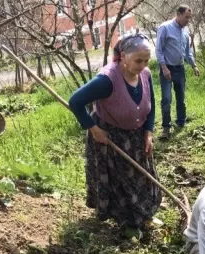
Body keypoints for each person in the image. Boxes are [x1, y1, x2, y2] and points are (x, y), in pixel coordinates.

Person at [68, 34, 162, 233]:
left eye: (146, 60)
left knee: (142, 176)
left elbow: (151, 105)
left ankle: (143, 213)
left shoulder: (145, 74)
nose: (143, 65)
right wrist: (93, 129)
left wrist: (149, 132)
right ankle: (127, 222)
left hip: (137, 136)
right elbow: (75, 101)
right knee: (121, 180)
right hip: (110, 136)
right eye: (138, 60)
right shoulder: (107, 80)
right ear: (123, 57)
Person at [155, 4, 201, 140]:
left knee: (181, 98)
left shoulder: (185, 32)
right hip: (167, 69)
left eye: (189, 18)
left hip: (180, 69)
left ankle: (181, 123)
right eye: (186, 17)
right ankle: (166, 128)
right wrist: (164, 68)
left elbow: (188, 52)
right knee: (166, 98)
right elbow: (158, 50)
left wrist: (194, 66)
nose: (188, 21)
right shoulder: (165, 28)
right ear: (179, 14)